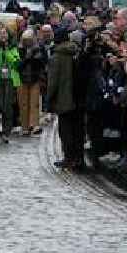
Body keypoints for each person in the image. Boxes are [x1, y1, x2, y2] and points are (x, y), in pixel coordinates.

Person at [46, 27, 82, 169]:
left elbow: (52, 82)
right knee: (77, 129)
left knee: (65, 130)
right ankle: (78, 158)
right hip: (78, 97)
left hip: (64, 98)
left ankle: (69, 157)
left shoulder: (57, 56)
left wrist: (48, 99)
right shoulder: (76, 52)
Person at [17, 29, 46, 136]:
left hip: (35, 78)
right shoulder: (19, 49)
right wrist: (27, 58)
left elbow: (41, 63)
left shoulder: (38, 49)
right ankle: (24, 126)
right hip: (22, 79)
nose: (28, 42)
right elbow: (18, 65)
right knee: (23, 103)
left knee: (34, 103)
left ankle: (34, 125)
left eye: (29, 39)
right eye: (26, 39)